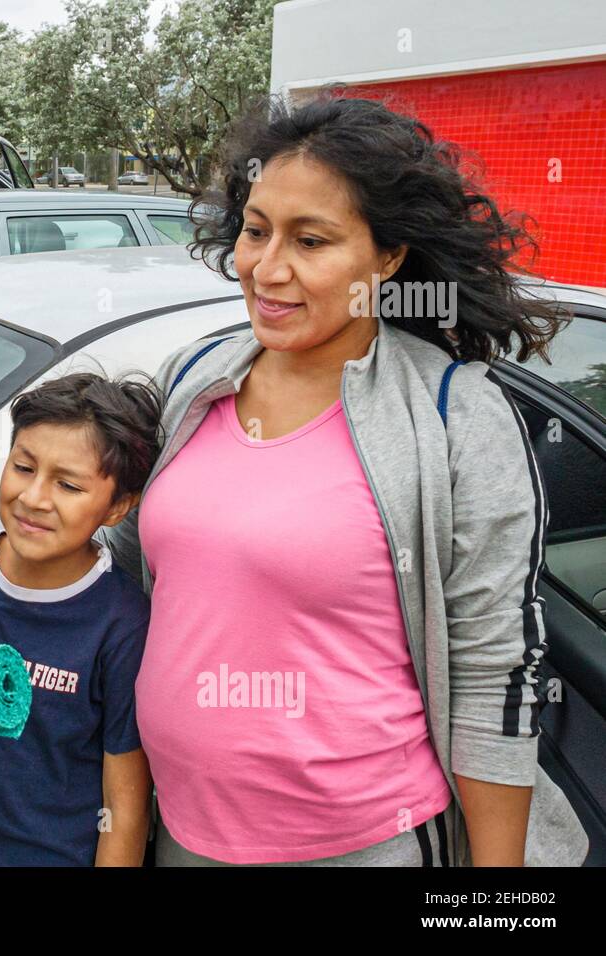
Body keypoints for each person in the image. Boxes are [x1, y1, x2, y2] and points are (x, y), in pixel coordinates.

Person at [102, 95, 590, 866]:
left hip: (368, 843)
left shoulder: (453, 415)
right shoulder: (196, 377)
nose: (269, 268)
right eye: (256, 231)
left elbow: (493, 671)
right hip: (182, 833)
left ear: (388, 258)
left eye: (312, 240)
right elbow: (122, 570)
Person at [0, 372, 159, 866]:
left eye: (68, 484)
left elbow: (124, 804)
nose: (34, 498)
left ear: (118, 507)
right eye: (24, 467)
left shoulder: (122, 622)